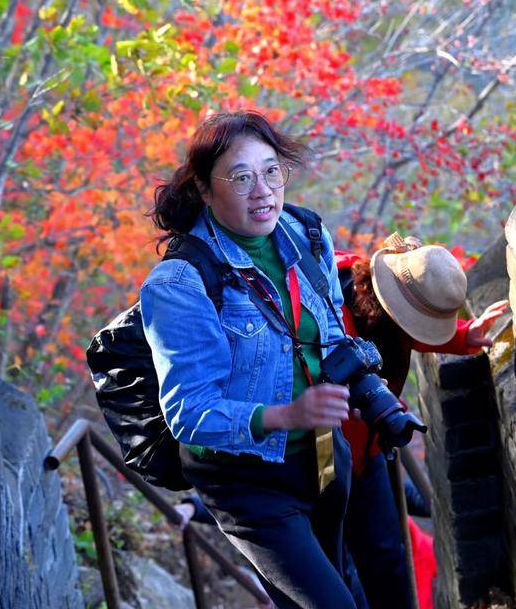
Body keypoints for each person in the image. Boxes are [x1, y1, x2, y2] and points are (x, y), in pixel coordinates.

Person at [140, 110, 366, 609]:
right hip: (245, 478)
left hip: (325, 455)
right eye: (241, 177)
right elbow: (188, 412)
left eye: (271, 171)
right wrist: (287, 415)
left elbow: (329, 335)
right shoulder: (180, 283)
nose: (262, 190)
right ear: (204, 188)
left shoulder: (305, 235)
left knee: (348, 585)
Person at [337, 234, 508, 609]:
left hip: (365, 457)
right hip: (315, 465)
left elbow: (404, 333)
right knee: (337, 581)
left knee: (389, 559)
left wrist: (464, 335)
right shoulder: (331, 306)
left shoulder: (385, 310)